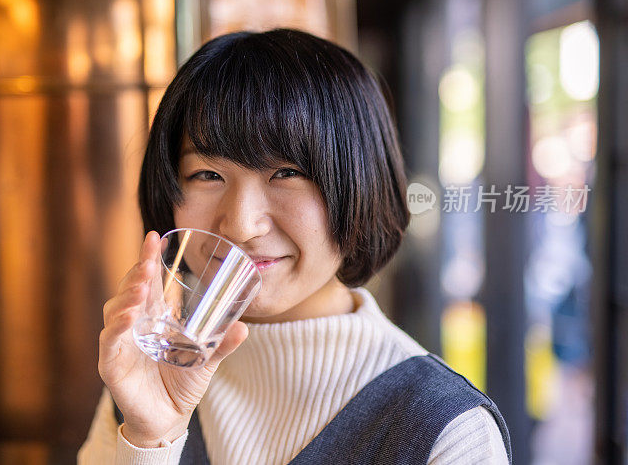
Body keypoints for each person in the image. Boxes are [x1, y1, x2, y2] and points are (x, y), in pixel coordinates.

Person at [78, 29, 511, 464]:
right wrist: (150, 440)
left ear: (360, 183)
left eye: (286, 173)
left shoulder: (448, 431)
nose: (243, 226)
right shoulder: (147, 367)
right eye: (207, 175)